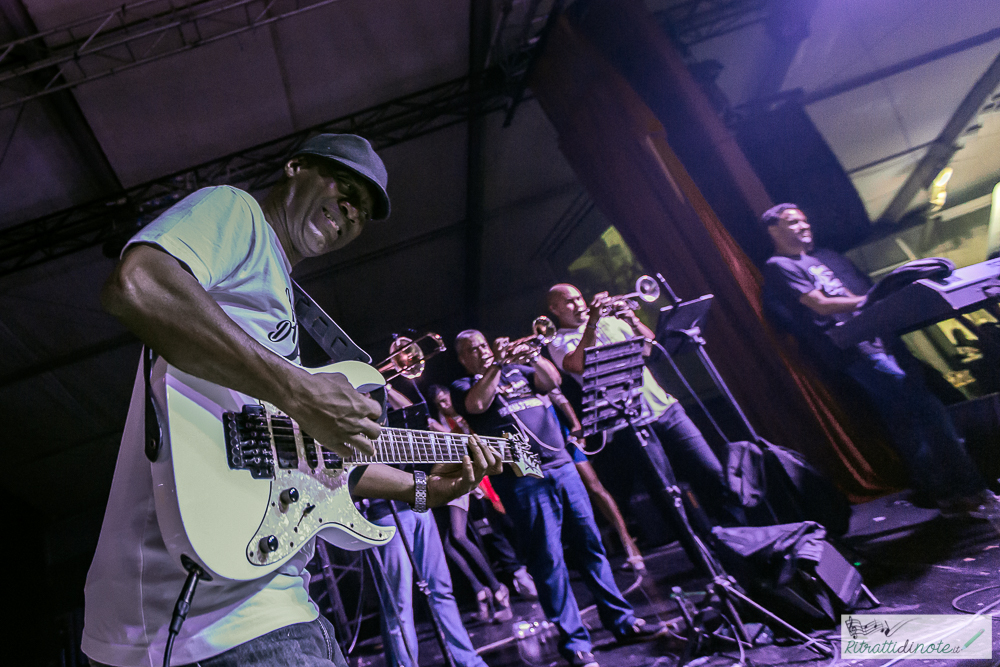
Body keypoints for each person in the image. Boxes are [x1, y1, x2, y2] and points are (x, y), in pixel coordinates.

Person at [82, 134, 501, 667]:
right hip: (213, 619)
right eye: (344, 187)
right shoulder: (236, 212)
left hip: (270, 598)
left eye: (362, 212)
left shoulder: (281, 308)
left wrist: (422, 489)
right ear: (295, 167)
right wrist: (300, 393)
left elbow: (301, 462)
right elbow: (138, 283)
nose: (351, 211)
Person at [759, 202, 1000, 516]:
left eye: (804, 221)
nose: (803, 226)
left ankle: (945, 494)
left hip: (874, 341)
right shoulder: (780, 265)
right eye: (792, 222)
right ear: (773, 230)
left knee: (903, 419)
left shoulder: (819, 258)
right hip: (853, 350)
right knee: (926, 406)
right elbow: (818, 304)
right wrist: (870, 300)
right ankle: (972, 489)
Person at [451, 330, 659, 667]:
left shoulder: (518, 372)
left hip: (560, 463)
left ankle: (622, 621)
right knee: (547, 559)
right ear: (463, 359)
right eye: (471, 350)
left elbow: (552, 380)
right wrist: (496, 366)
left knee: (590, 545)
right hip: (522, 473)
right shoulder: (465, 387)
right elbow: (477, 404)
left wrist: (531, 354)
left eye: (482, 346)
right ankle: (575, 643)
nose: (480, 352)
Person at [546, 283, 743, 529]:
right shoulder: (558, 341)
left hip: (666, 408)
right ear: (555, 309)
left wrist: (632, 318)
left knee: (715, 474)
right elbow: (577, 365)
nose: (579, 305)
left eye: (579, 298)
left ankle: (740, 540)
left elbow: (651, 348)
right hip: (631, 423)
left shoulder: (612, 322)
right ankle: (704, 554)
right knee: (669, 496)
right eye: (569, 302)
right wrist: (593, 323)